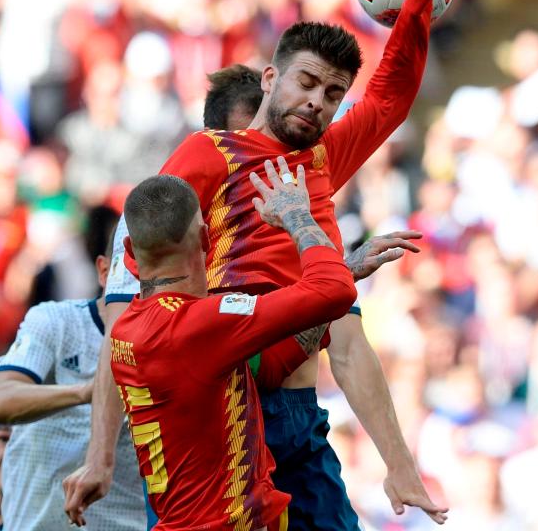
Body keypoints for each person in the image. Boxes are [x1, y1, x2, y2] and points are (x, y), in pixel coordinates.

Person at [66, 0, 450, 528]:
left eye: (332, 93)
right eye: (305, 82)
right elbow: (128, 312)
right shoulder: (209, 154)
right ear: (271, 78)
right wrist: (101, 454)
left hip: (303, 417)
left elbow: (390, 96)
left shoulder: (323, 157)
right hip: (235, 410)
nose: (318, 102)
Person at [106, 167, 356, 530]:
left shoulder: (127, 330)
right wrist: (297, 214)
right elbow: (333, 290)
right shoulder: (201, 324)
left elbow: (269, 367)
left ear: (130, 250)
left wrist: (342, 276)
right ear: (206, 239)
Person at [0, 229, 146, 530]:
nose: (144, 288)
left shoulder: (172, 340)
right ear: (104, 272)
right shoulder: (56, 322)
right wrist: (87, 392)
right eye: (134, 275)